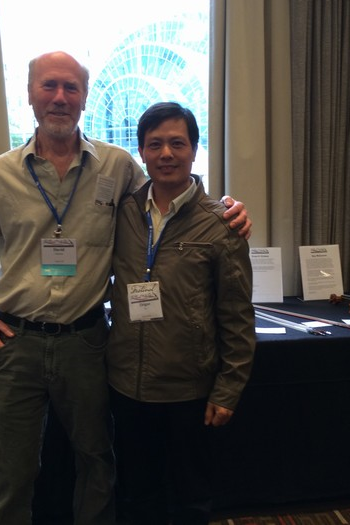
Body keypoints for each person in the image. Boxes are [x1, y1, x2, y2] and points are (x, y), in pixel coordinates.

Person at [0, 52, 251, 525]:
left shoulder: (117, 166)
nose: (60, 97)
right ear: (30, 95)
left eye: (71, 87)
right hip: (16, 344)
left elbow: (169, 195)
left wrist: (226, 207)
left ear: (85, 97)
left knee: (97, 462)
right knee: (11, 470)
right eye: (49, 86)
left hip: (87, 343)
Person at [106, 102, 256, 525]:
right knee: (137, 495)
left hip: (189, 390)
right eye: (155, 144)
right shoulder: (121, 214)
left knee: (191, 497)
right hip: (127, 385)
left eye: (177, 143)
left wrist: (228, 389)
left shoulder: (221, 224)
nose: (166, 154)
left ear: (194, 149)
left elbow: (237, 316)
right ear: (141, 152)